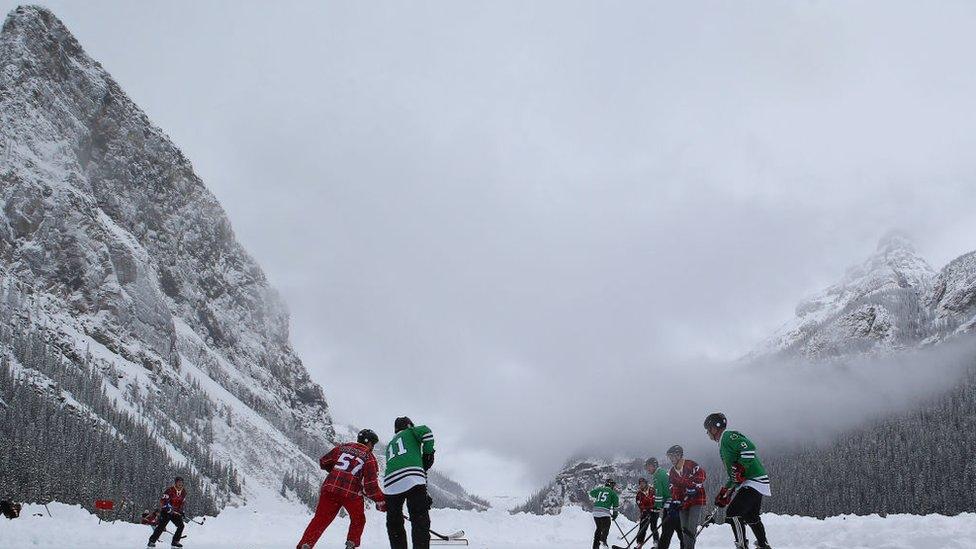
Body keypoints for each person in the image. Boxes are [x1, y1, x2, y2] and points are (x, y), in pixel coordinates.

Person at [298, 429, 387, 549]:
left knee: (320, 519)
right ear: (370, 443)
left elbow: (323, 462)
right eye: (373, 445)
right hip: (351, 494)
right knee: (358, 519)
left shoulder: (342, 448)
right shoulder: (369, 457)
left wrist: (336, 471)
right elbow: (370, 486)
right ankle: (351, 544)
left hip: (330, 489)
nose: (372, 447)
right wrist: (381, 501)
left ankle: (306, 543)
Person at [705, 413, 772, 549]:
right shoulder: (722, 444)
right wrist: (725, 491)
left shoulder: (728, 436)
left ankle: (741, 545)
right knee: (751, 516)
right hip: (754, 481)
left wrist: (741, 467)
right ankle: (763, 544)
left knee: (733, 513)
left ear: (714, 428)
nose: (707, 433)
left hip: (754, 480)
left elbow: (749, 447)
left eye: (708, 429)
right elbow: (735, 475)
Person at [384, 417, 435, 549]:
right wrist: (428, 454)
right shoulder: (411, 431)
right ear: (408, 425)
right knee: (419, 518)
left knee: (394, 523)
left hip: (391, 484)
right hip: (413, 478)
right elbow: (427, 432)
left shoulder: (390, 443)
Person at [666, 445, 705, 549]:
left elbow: (701, 475)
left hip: (696, 499)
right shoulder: (672, 471)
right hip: (683, 502)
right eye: (669, 457)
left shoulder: (690, 464)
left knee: (691, 528)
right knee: (684, 528)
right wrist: (676, 500)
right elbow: (673, 487)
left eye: (672, 456)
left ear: (679, 455)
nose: (671, 459)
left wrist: (693, 486)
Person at [148, 476, 187, 548]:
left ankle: (175, 542)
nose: (180, 484)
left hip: (175, 513)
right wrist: (168, 507)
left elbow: (182, 503)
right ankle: (152, 541)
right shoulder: (169, 490)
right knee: (161, 526)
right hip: (166, 511)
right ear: (175, 483)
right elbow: (163, 500)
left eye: (181, 483)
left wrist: (181, 511)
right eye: (179, 482)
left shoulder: (183, 492)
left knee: (181, 526)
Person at [588, 479, 620, 549]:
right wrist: (615, 515)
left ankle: (595, 546)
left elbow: (591, 493)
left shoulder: (600, 489)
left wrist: (599, 491)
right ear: (610, 485)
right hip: (604, 512)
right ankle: (603, 540)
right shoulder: (613, 493)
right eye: (613, 485)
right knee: (606, 527)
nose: (613, 487)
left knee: (599, 529)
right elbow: (615, 506)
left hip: (595, 512)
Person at [634, 478, 656, 548]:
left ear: (646, 483)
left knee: (654, 527)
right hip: (645, 512)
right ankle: (639, 543)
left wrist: (653, 507)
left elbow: (656, 499)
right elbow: (639, 503)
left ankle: (656, 542)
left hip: (654, 511)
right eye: (640, 483)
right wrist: (644, 509)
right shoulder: (639, 493)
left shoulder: (652, 490)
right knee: (642, 527)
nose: (641, 485)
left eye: (643, 483)